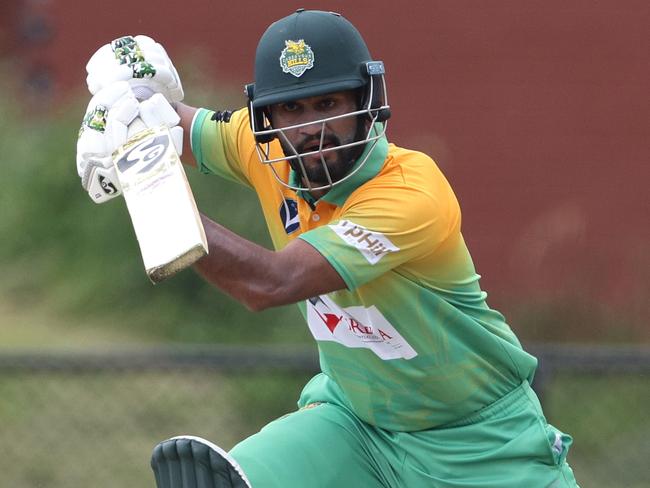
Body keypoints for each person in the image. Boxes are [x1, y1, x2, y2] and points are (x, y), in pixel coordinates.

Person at [76, 9, 579, 488]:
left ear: (367, 102)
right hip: (354, 425)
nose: (311, 129)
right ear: (267, 116)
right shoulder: (264, 147)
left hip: (478, 441)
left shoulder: (410, 190)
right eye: (292, 109)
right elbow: (167, 123)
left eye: (328, 103)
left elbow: (271, 283)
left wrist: (150, 188)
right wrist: (133, 97)